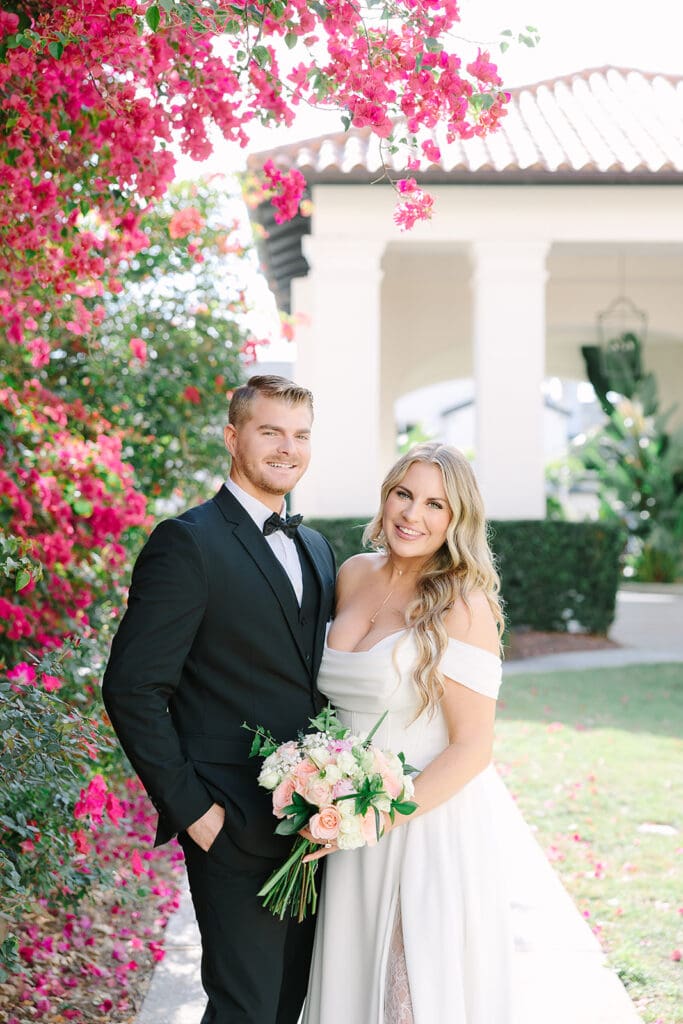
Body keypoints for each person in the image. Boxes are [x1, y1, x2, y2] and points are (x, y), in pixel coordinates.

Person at [102, 375, 336, 1024]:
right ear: (233, 437)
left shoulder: (315, 546)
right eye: (269, 432)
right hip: (228, 821)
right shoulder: (188, 542)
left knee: (292, 1002)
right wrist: (192, 811)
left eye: (299, 435)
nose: (286, 449)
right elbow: (132, 687)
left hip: (313, 823)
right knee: (246, 1008)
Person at [302, 442, 513, 1024]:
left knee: (406, 997)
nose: (411, 515)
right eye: (404, 493)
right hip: (341, 819)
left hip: (419, 823)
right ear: (386, 494)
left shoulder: (463, 604)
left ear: (457, 519)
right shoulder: (351, 573)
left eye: (435, 504)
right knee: (349, 984)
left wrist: (377, 815)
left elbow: (473, 747)